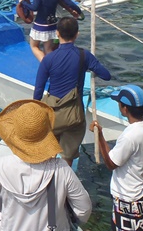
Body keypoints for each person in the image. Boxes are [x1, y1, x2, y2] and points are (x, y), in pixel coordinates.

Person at [0, 99, 92, 231]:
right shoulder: (61, 170)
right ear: (47, 133)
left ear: (16, 135)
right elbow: (83, 209)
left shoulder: (2, 166)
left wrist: (7, 206)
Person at [90, 85, 143, 231]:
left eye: (120, 104)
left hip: (129, 200)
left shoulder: (130, 136)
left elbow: (111, 163)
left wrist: (99, 136)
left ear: (125, 109)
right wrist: (140, 170)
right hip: (142, 195)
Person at [34, 16, 112, 165]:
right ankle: (64, 179)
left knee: (47, 153)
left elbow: (38, 91)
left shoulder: (48, 59)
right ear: (77, 34)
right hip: (73, 116)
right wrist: (90, 64)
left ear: (57, 33)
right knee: (67, 157)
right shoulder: (84, 56)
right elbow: (106, 76)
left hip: (52, 114)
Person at [21, 0, 85, 62]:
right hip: (52, 25)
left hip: (40, 25)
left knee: (34, 46)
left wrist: (23, 3)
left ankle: (47, 66)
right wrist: (78, 11)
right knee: (48, 49)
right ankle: (53, 65)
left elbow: (34, 8)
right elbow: (69, 3)